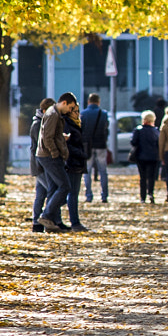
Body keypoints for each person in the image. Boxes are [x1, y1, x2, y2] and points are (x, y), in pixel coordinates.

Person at [35, 93, 77, 232]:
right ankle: (46, 216)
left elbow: (51, 135)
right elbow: (47, 137)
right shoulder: (53, 114)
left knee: (53, 189)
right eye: (70, 107)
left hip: (46, 155)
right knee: (65, 186)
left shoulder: (54, 113)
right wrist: (55, 153)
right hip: (49, 156)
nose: (70, 111)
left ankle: (50, 222)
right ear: (64, 103)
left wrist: (60, 138)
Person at [60, 95, 90, 230]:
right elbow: (68, 144)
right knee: (71, 193)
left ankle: (73, 220)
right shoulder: (68, 124)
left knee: (73, 192)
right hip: (72, 162)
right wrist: (81, 154)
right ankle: (74, 222)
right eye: (75, 111)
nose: (78, 114)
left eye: (78, 111)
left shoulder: (76, 124)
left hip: (78, 161)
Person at [29, 97, 55, 223]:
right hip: (40, 164)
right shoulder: (39, 124)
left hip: (40, 164)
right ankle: (46, 217)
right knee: (52, 190)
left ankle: (36, 221)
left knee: (41, 193)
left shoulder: (40, 122)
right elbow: (38, 147)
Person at [82, 92, 111, 204]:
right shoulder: (103, 114)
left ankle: (88, 195)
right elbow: (106, 129)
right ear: (98, 102)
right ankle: (104, 196)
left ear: (88, 102)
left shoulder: (83, 114)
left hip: (87, 146)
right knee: (103, 170)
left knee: (87, 171)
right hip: (100, 144)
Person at [129, 112, 161, 202]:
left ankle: (142, 197)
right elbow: (159, 143)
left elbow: (133, 142)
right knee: (151, 177)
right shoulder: (156, 131)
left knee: (143, 177)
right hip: (153, 157)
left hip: (141, 156)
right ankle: (150, 193)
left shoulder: (138, 130)